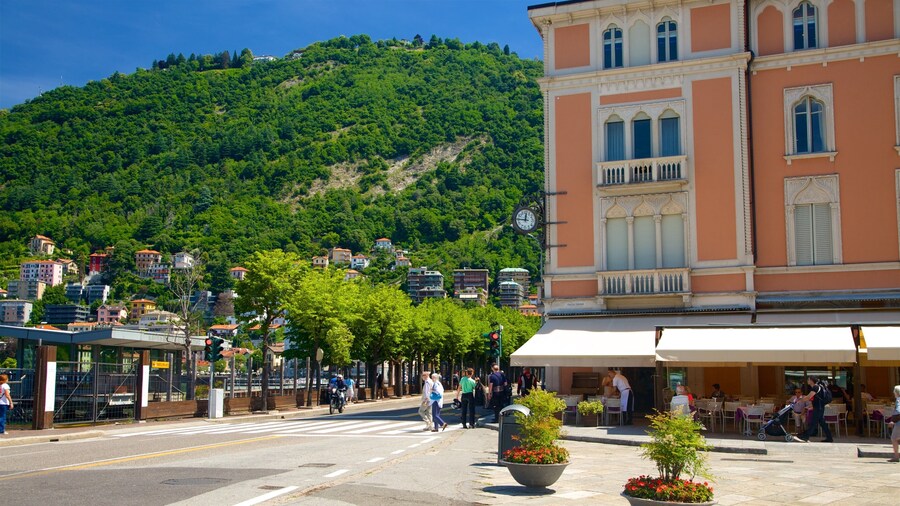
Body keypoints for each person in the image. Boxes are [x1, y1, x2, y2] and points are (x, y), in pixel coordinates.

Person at [796, 376, 833, 443]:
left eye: (808, 379)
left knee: (813, 423)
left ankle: (806, 436)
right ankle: (829, 438)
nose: (807, 381)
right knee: (822, 423)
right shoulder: (817, 387)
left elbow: (808, 397)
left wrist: (800, 400)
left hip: (818, 408)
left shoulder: (816, 387)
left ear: (811, 380)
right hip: (819, 407)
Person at [888, 384, 900, 463]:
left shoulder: (898, 400)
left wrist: (893, 421)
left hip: (899, 423)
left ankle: (896, 456)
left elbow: (899, 411)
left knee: (894, 438)